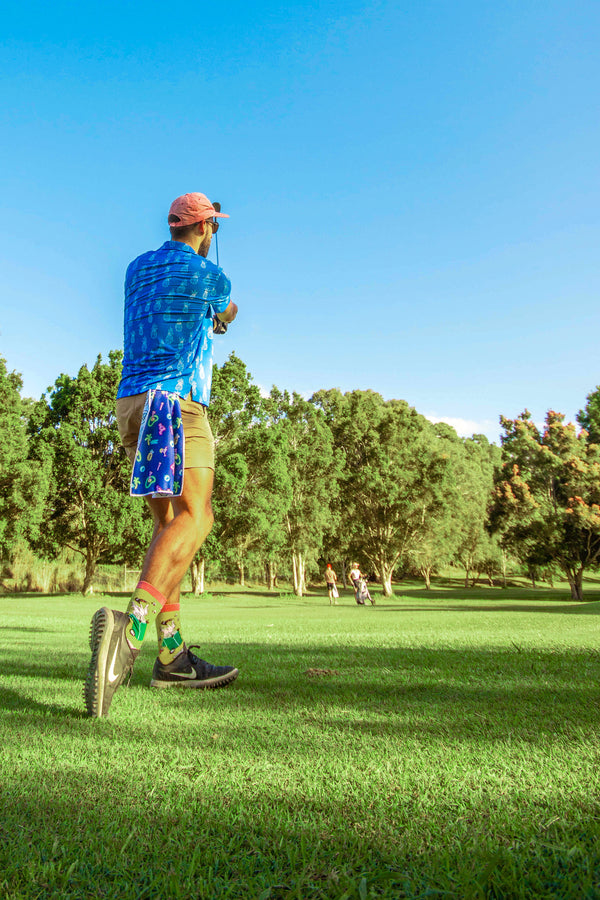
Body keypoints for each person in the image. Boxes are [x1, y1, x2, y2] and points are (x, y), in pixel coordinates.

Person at [84, 192, 239, 718]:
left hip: (131, 402)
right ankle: (133, 628)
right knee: (199, 516)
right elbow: (228, 311)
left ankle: (171, 656)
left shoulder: (136, 268)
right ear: (207, 228)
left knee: (168, 524)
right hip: (174, 403)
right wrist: (218, 317)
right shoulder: (209, 275)